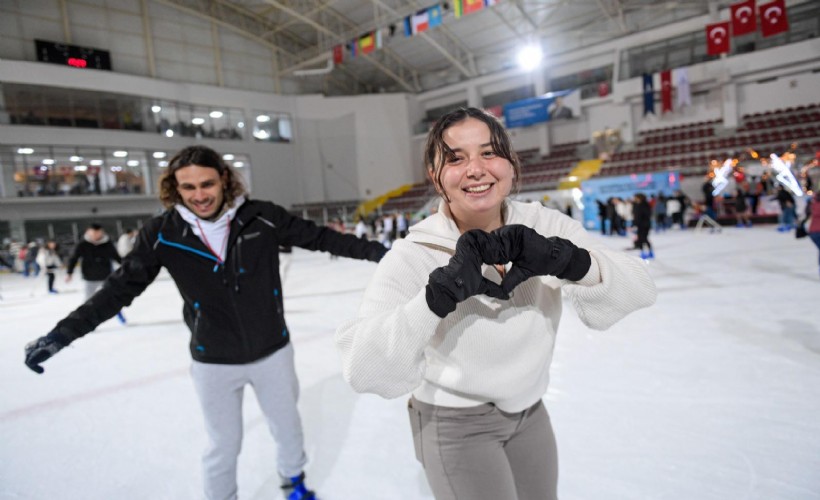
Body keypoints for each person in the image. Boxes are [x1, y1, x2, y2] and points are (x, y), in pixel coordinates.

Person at [24, 145, 386, 500]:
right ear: (175, 188)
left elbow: (324, 239)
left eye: (207, 184)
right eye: (189, 187)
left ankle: (293, 481)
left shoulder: (262, 216)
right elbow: (117, 291)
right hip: (212, 360)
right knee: (223, 444)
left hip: (271, 351)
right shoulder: (162, 233)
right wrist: (61, 335)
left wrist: (385, 254)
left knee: (287, 427)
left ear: (224, 180)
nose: (200, 195)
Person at [335, 107, 656, 500]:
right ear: (435, 177)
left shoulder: (544, 226)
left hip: (530, 412)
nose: (475, 169)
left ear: (511, 163)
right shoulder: (413, 253)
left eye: (489, 152)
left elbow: (639, 288)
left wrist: (569, 260)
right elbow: (362, 367)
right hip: (455, 421)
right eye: (455, 158)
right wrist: (434, 299)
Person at [65, 223, 126, 324]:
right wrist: (69, 272)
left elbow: (116, 257)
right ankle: (86, 320)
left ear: (101, 232)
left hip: (106, 276)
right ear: (88, 233)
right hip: (89, 277)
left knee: (111, 297)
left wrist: (126, 266)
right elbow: (74, 258)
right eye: (93, 234)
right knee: (89, 301)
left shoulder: (107, 243)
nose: (96, 236)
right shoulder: (82, 244)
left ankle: (119, 315)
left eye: (98, 233)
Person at [633, 192, 654, 259]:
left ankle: (650, 252)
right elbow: (636, 216)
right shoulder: (636, 205)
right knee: (640, 238)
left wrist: (642, 221)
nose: (634, 199)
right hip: (639, 225)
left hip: (644, 224)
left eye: (635, 197)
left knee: (644, 238)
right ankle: (643, 252)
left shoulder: (644, 205)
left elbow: (646, 215)